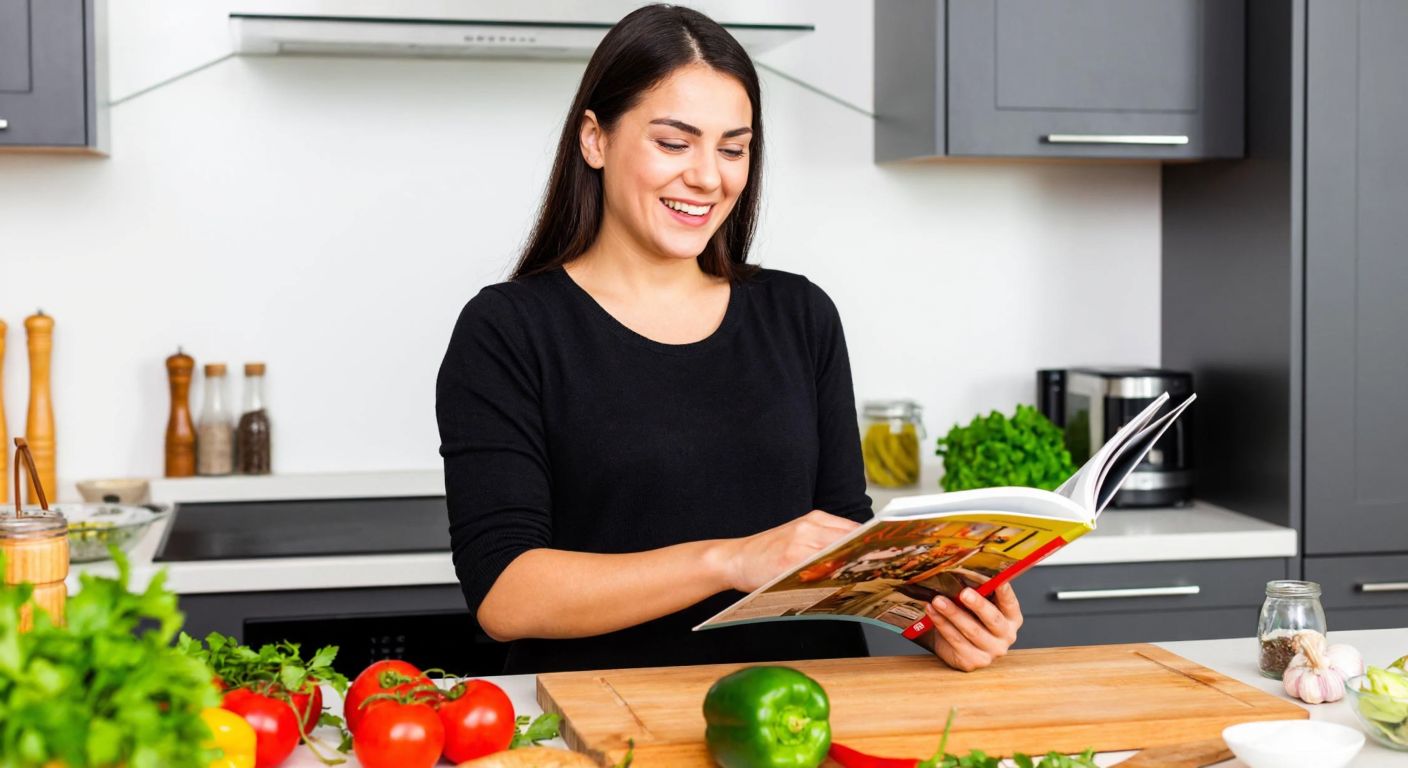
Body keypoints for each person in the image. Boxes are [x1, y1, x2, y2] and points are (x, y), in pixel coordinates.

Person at [436, 4, 1023, 675]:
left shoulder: (799, 315)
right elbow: (506, 595)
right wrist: (729, 560)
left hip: (806, 716)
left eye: (733, 148)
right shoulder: (508, 330)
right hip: (608, 721)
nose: (709, 177)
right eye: (674, 142)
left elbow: (838, 543)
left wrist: (939, 618)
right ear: (594, 139)